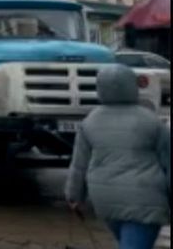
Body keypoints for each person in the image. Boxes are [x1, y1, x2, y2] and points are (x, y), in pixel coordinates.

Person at [66, 64, 170, 249]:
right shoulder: (151, 121)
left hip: (106, 201)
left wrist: (74, 196)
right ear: (133, 86)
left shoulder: (90, 121)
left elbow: (79, 165)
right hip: (145, 201)